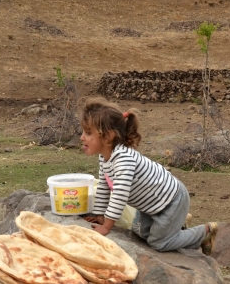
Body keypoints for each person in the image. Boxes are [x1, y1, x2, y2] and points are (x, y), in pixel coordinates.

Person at [79, 96, 218, 254]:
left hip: (171, 202)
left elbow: (119, 195)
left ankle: (204, 233)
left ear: (108, 136)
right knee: (139, 233)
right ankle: (177, 225)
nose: (82, 137)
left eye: (88, 133)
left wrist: (106, 227)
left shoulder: (124, 160)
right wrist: (99, 214)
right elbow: (104, 185)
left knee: (158, 243)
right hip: (150, 207)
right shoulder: (105, 156)